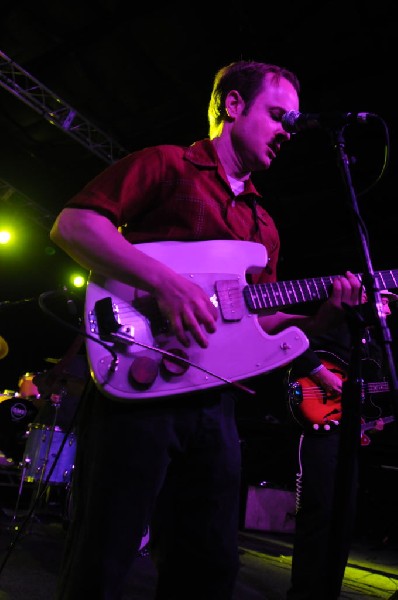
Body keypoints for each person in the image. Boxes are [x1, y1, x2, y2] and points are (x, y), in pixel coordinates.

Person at [49, 59, 362, 600]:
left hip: (214, 402)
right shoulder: (168, 165)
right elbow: (74, 224)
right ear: (234, 107)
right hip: (137, 384)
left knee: (208, 564)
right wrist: (165, 282)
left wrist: (320, 318)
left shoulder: (264, 225)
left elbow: (260, 319)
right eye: (278, 115)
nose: (287, 131)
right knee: (104, 552)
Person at [285, 288, 397, 600]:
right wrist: (324, 377)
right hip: (320, 429)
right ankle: (304, 593)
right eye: (383, 299)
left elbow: (372, 394)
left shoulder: (375, 343)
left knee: (343, 517)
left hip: (349, 431)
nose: (388, 307)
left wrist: (373, 422)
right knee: (318, 511)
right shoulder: (335, 322)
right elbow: (292, 344)